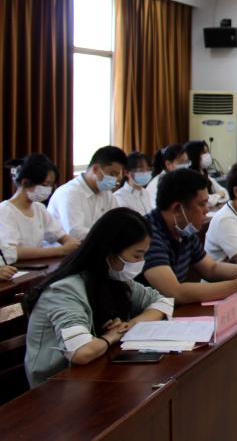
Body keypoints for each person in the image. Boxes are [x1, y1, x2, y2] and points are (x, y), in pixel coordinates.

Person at [23, 208, 174, 387]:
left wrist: (129, 326)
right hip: (53, 387)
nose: (141, 262)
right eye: (136, 255)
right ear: (109, 251)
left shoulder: (115, 278)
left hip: (93, 375)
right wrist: (113, 335)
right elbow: (81, 352)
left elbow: (162, 302)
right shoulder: (63, 290)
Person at [141, 169, 237, 304]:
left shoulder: (184, 229)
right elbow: (174, 292)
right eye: (202, 204)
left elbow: (211, 269)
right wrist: (236, 286)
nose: (207, 209)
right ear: (177, 209)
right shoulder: (148, 235)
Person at [1, 154, 79, 259]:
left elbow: (62, 236)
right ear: (25, 182)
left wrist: (71, 244)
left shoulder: (39, 208)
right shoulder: (5, 211)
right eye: (46, 184)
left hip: (39, 265)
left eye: (51, 185)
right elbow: (12, 252)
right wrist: (60, 250)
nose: (49, 189)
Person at [47, 146, 127, 240]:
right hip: (67, 248)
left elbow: (117, 223)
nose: (115, 180)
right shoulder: (69, 193)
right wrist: (109, 235)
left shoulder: (107, 194)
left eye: (117, 175)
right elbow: (75, 233)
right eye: (112, 174)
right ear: (95, 169)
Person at [183, 140, 229, 209]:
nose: (207, 155)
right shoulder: (188, 176)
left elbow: (225, 192)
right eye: (204, 152)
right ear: (194, 155)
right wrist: (218, 195)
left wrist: (215, 199)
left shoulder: (204, 173)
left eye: (208, 152)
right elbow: (203, 200)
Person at [113, 151, 154, 216]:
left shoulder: (146, 193)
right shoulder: (119, 197)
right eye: (140, 170)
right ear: (126, 172)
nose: (145, 173)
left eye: (148, 169)